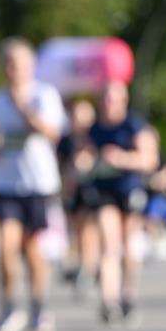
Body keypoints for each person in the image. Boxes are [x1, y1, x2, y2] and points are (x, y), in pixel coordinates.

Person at [0, 38, 65, 331]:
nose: (13, 70)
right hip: (4, 182)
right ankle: (8, 308)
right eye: (8, 64)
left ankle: (39, 307)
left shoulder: (44, 94)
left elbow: (53, 132)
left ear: (30, 66)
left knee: (32, 248)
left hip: (37, 183)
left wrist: (25, 110)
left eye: (18, 64)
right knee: (6, 245)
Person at [82, 81, 158, 325]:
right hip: (103, 192)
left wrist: (122, 158)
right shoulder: (93, 129)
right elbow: (81, 157)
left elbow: (150, 160)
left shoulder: (135, 126)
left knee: (128, 247)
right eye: (105, 99)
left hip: (129, 191)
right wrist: (82, 162)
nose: (109, 104)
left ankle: (128, 293)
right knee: (109, 244)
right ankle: (108, 300)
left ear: (124, 101)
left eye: (114, 99)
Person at [57, 98, 99, 295]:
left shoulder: (96, 138)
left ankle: (88, 268)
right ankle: (81, 263)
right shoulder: (65, 141)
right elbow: (59, 165)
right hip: (72, 191)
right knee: (75, 230)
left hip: (93, 190)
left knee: (89, 229)